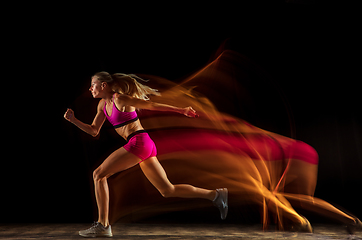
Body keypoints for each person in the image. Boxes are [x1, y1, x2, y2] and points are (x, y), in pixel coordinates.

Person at [64, 72, 228, 238]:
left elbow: (151, 105)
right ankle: (215, 195)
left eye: (93, 84)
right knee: (167, 189)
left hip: (138, 142)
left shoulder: (120, 99)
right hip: (144, 144)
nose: (90, 88)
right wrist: (74, 120)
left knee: (98, 175)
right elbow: (93, 130)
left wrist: (182, 110)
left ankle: (103, 225)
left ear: (104, 85)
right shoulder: (102, 106)